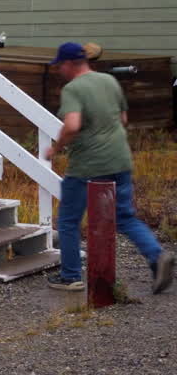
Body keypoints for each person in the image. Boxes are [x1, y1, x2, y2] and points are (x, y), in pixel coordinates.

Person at [43, 42, 174, 293]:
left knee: (69, 221)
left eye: (60, 65)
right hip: (120, 159)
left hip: (88, 165)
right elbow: (123, 119)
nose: (59, 70)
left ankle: (70, 276)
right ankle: (157, 257)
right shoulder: (109, 81)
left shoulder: (73, 89)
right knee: (124, 216)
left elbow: (72, 125)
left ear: (70, 64)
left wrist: (56, 148)